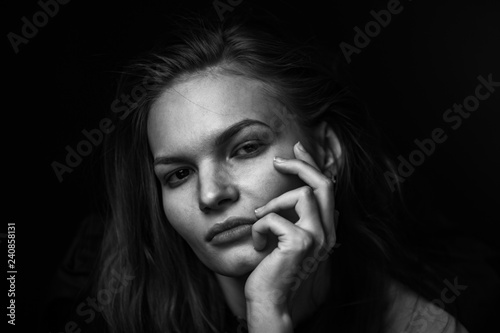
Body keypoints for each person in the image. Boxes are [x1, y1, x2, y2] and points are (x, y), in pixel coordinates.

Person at [96, 11, 471, 333]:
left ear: (325, 152)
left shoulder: (423, 326)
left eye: (246, 148)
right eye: (178, 174)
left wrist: (268, 307)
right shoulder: (118, 315)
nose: (210, 195)